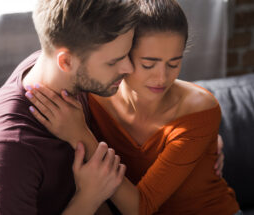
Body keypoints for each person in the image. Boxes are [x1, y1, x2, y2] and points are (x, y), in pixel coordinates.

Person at [25, 0, 241, 214]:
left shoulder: (199, 110)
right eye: (148, 64)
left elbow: (140, 208)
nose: (162, 78)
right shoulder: (92, 97)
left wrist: (80, 135)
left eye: (174, 63)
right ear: (122, 54)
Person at [0, 0, 139, 214]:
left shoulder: (49, 68)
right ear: (66, 62)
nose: (129, 67)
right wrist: (89, 197)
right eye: (113, 62)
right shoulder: (7, 150)